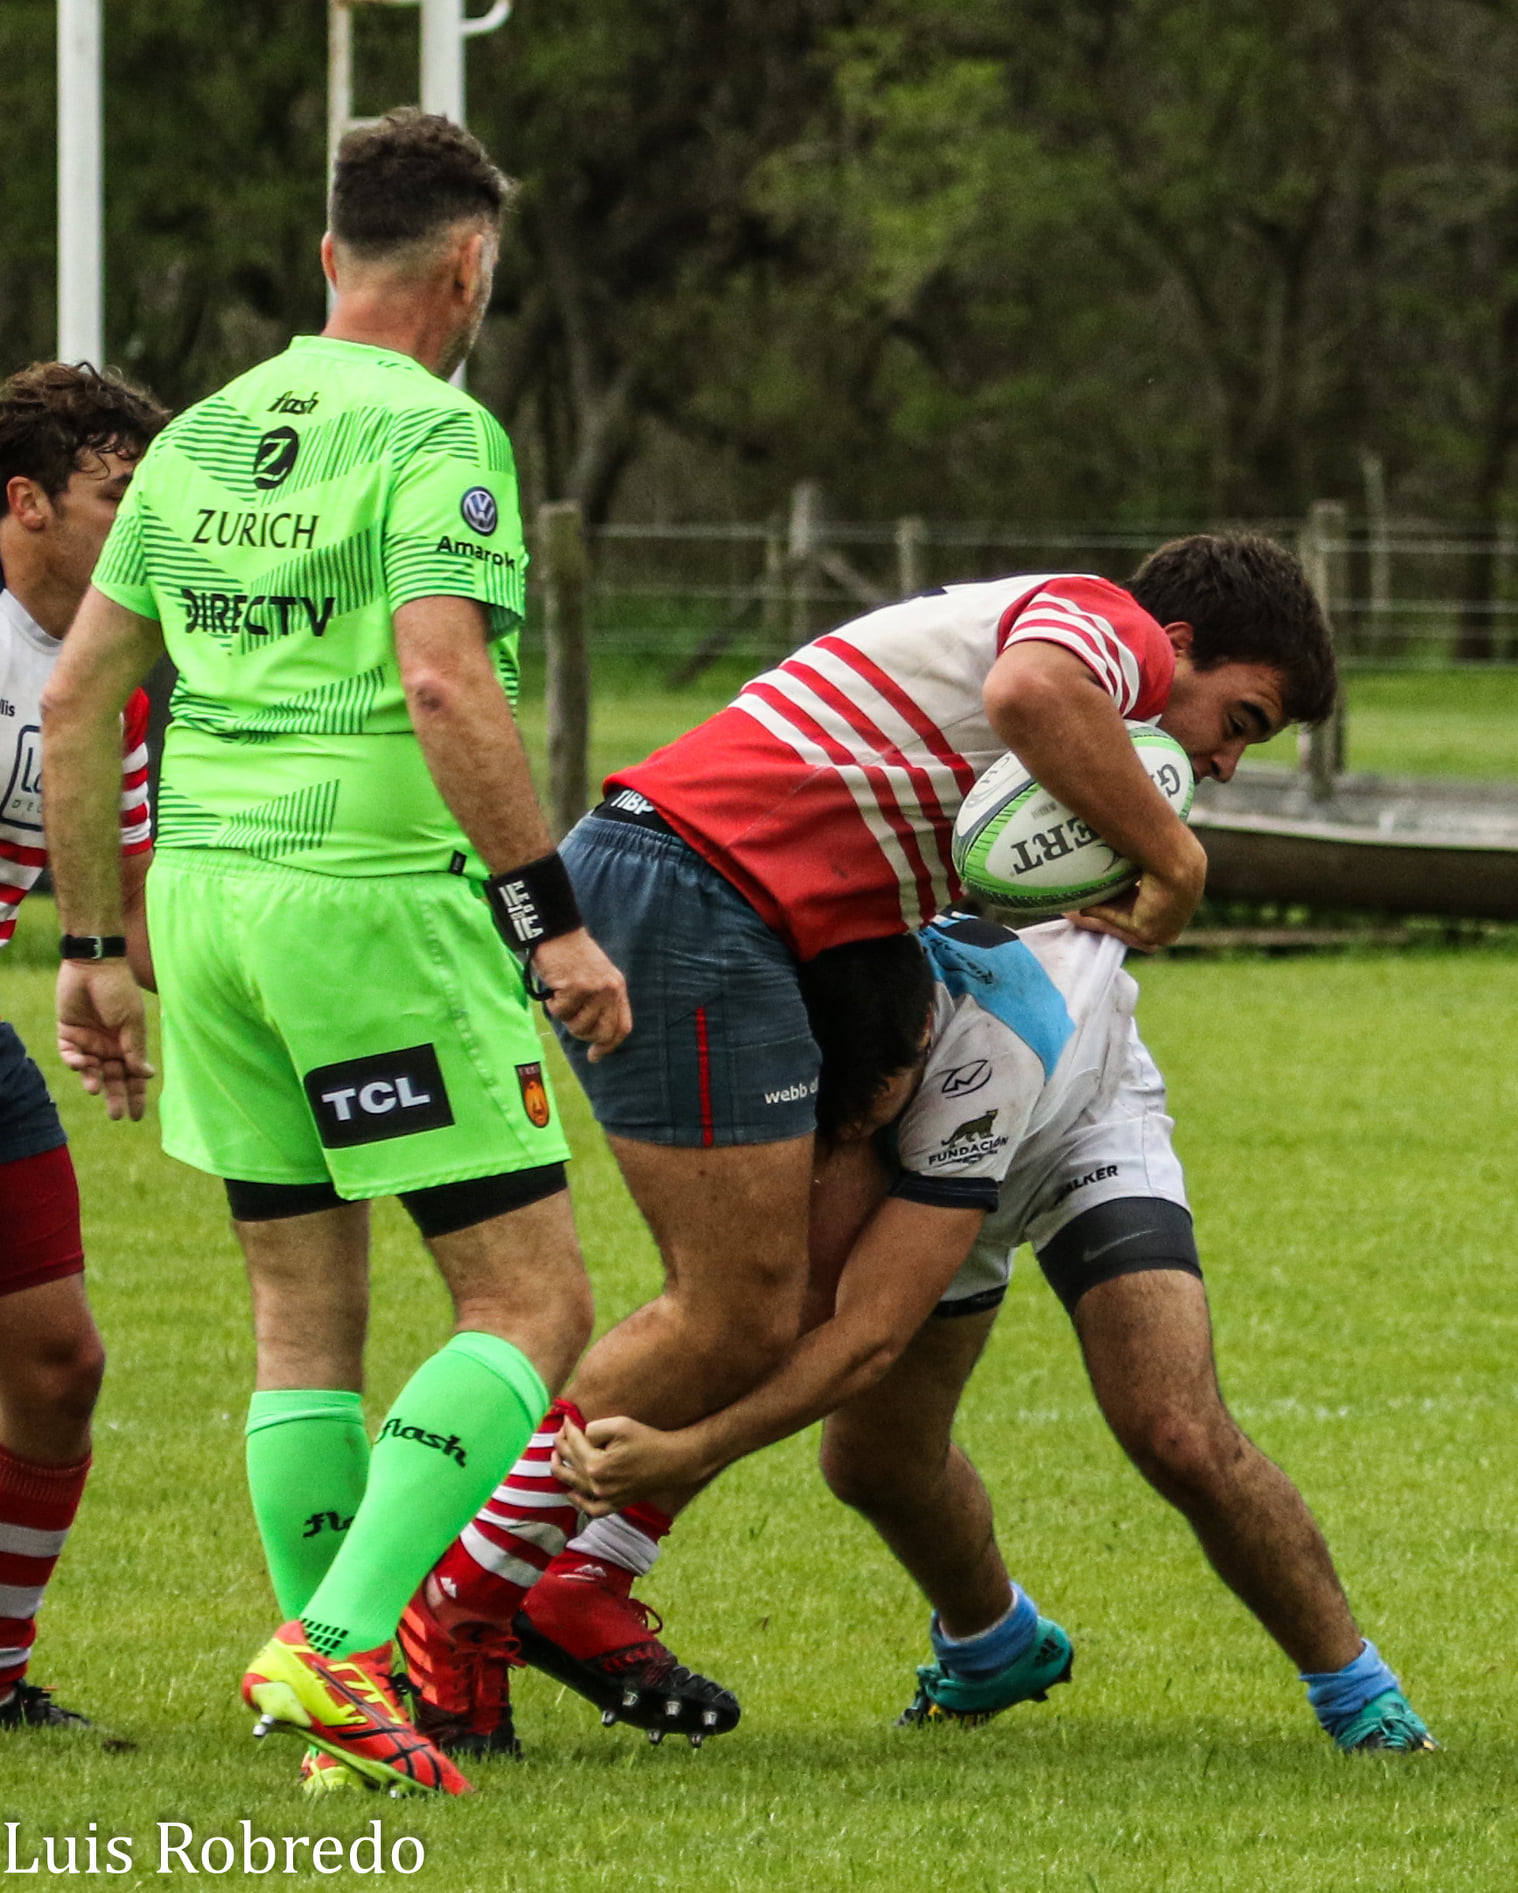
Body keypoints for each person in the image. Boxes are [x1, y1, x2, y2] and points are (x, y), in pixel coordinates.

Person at [399, 534, 1339, 1740]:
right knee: (729, 1308)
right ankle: (458, 1605)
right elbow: (1032, 692)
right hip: (698, 889)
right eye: (1243, 717)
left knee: (773, 1299)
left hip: (743, 909)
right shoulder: (1110, 631)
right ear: (1186, 649)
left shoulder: (1037, 724)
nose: (1224, 757)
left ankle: (551, 1584)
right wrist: (1177, 854)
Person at [40, 109, 629, 1797]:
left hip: (208, 915)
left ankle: (332, 1723)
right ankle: (333, 1642)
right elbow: (445, 682)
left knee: (303, 1323)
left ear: (324, 261)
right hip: (368, 906)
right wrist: (550, 919)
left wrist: (90, 947)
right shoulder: (439, 433)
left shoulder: (201, 437)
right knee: (531, 1300)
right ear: (470, 265)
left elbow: (81, 693)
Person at [555, 916, 1436, 1754]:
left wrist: (685, 1451)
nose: (849, 1124)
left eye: (871, 1104)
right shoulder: (844, 998)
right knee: (874, 1462)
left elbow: (867, 1337)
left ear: (925, 1032)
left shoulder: (988, 1054)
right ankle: (994, 1649)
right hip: (934, 1164)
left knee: (1174, 1428)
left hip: (1077, 1133)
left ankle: (1361, 1694)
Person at [0, 359, 164, 1730]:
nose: (148, 518)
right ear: (28, 504)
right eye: (121, 493)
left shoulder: (117, 676)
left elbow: (137, 902)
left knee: (61, 1362)